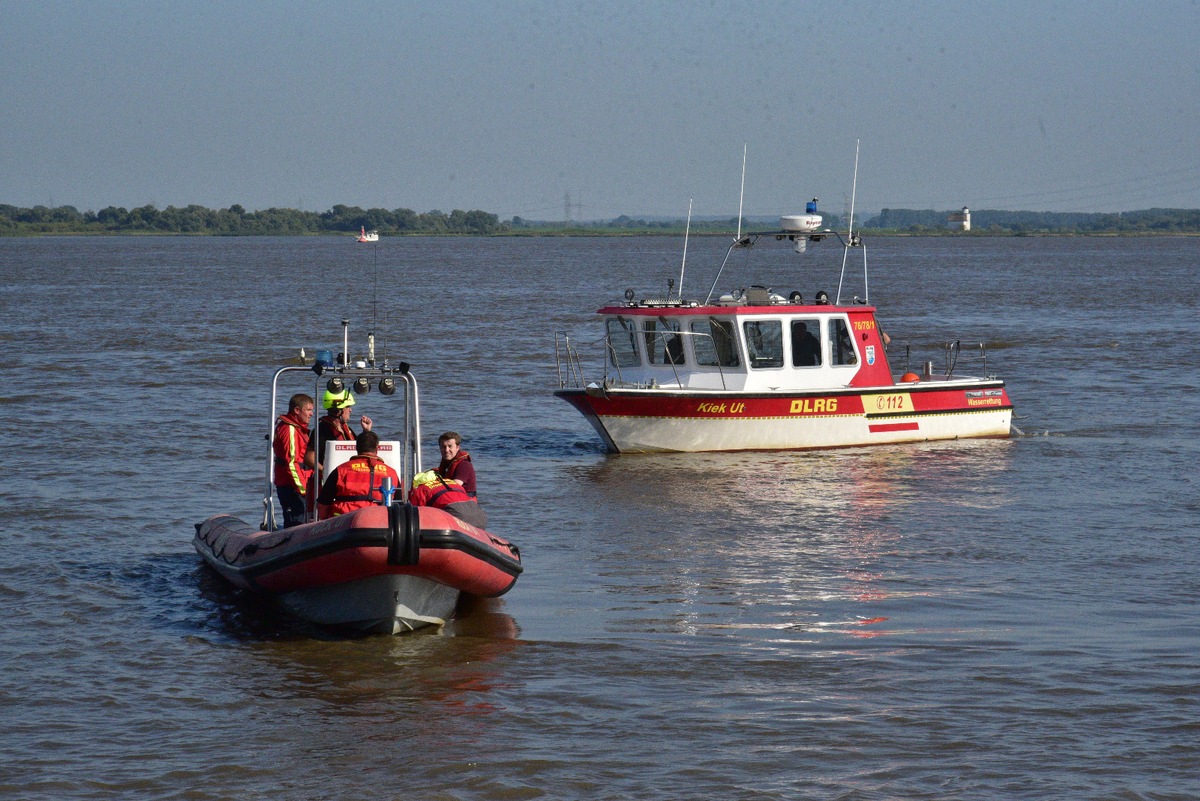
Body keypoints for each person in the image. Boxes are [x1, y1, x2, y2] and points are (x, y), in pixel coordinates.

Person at [316, 430, 400, 518]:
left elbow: (323, 504)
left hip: (344, 522)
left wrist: (325, 524)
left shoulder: (341, 470)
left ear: (356, 448)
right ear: (376, 449)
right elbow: (399, 505)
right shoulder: (391, 473)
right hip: (378, 520)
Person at [273, 393, 315, 528]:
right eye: (308, 410)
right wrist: (303, 490)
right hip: (293, 487)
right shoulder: (289, 429)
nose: (311, 414)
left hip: (298, 484)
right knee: (297, 523)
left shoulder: (297, 428)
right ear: (297, 410)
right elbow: (291, 463)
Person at [313, 388, 372, 474]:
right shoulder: (322, 430)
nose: (350, 410)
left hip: (347, 475)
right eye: (347, 407)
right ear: (339, 410)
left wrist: (366, 431)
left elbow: (361, 449)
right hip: (332, 481)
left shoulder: (345, 429)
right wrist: (328, 473)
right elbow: (309, 458)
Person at [408, 470, 488, 529]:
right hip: (479, 515)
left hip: (457, 516)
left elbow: (417, 513)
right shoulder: (451, 483)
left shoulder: (420, 489)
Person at [434, 431, 477, 498]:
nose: (446, 450)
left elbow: (454, 486)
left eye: (450, 446)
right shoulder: (446, 462)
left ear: (457, 447)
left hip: (465, 503)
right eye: (443, 447)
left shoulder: (464, 465)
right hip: (451, 499)